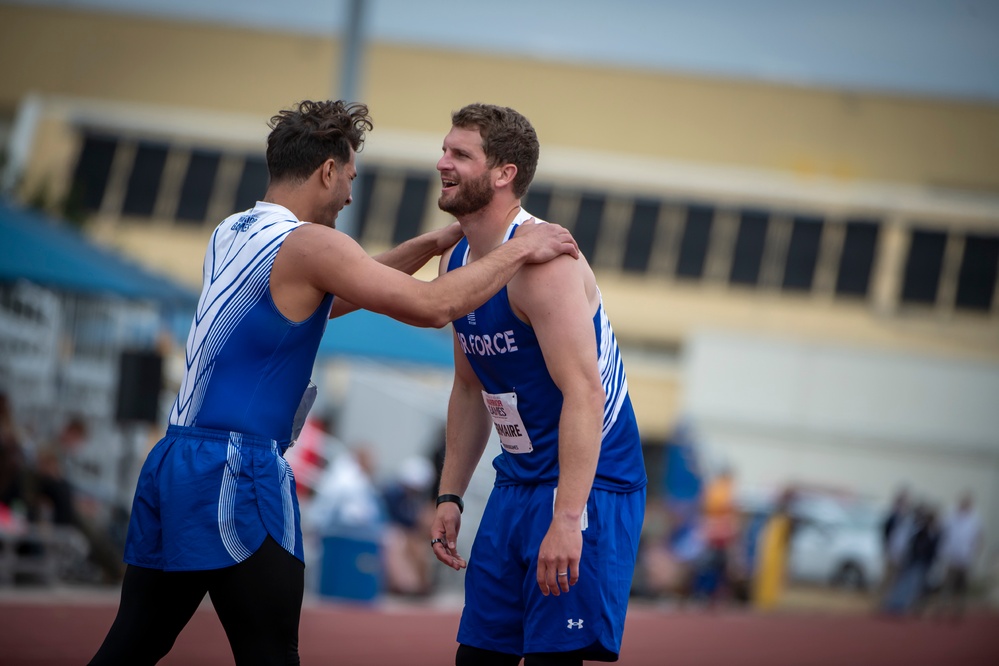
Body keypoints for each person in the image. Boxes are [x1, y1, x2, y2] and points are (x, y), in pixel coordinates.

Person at [89, 99, 578, 666]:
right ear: (327, 171)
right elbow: (435, 307)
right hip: (237, 468)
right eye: (349, 178)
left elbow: (332, 296)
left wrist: (429, 245)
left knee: (132, 644)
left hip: (174, 459)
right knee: (271, 653)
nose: (349, 195)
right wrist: (521, 247)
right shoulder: (313, 244)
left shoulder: (233, 231)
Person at [429, 103, 647, 666]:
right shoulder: (456, 263)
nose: (441, 163)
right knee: (477, 655)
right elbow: (468, 384)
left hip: (587, 486)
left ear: (504, 173)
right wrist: (451, 493)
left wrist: (569, 519)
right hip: (518, 482)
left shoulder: (545, 265)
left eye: (460, 154)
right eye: (444, 149)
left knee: (553, 659)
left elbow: (585, 393)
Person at [934, 492, 983, 621]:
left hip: (965, 558)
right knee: (947, 584)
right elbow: (942, 532)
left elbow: (979, 538)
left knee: (962, 587)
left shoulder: (975, 519)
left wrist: (975, 553)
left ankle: (958, 610)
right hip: (951, 556)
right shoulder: (951, 516)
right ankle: (941, 607)